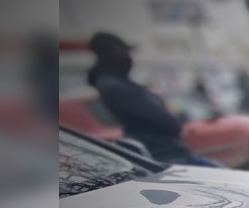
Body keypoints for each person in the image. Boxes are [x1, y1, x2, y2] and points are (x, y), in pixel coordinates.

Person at [86, 32, 216, 166]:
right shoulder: (116, 86)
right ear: (112, 53)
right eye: (124, 51)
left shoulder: (115, 84)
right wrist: (178, 120)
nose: (129, 57)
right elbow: (162, 119)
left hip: (167, 152)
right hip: (166, 154)